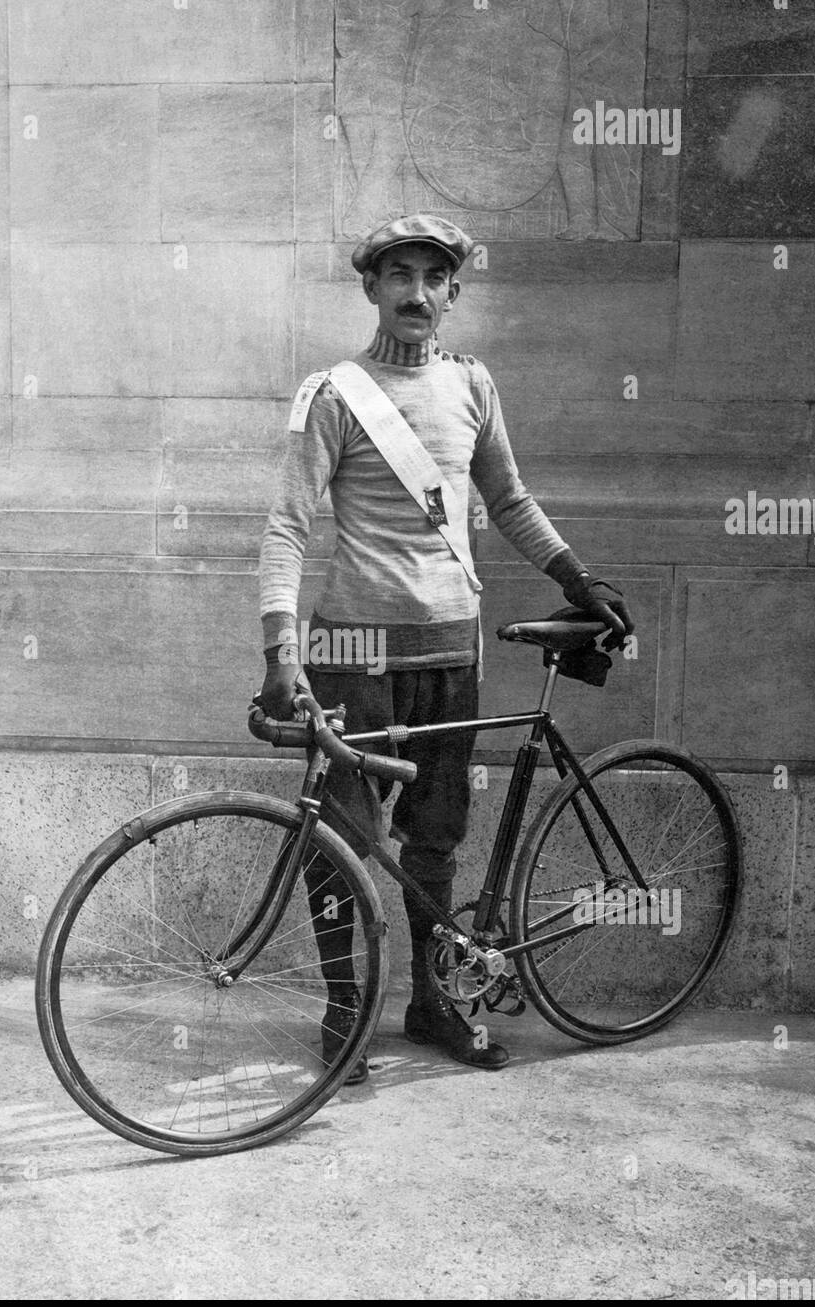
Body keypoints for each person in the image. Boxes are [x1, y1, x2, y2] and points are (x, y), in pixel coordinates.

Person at [258, 213, 632, 1084]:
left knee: (435, 841)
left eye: (434, 277)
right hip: (355, 652)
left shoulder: (472, 385)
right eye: (399, 275)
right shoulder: (332, 394)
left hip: (448, 654)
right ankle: (344, 1011)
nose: (416, 292)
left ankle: (432, 1004)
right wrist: (281, 647)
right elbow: (288, 524)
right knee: (342, 842)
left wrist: (579, 580)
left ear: (453, 293)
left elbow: (509, 502)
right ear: (371, 288)